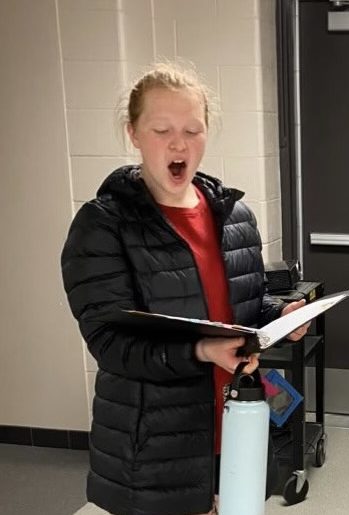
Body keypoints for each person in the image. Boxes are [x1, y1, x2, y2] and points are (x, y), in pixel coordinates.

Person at [60, 62, 308, 515]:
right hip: (156, 449)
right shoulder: (102, 226)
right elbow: (111, 343)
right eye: (162, 130)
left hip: (236, 425)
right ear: (132, 132)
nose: (179, 144)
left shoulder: (235, 218)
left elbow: (240, 311)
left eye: (193, 130)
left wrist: (280, 318)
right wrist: (200, 352)